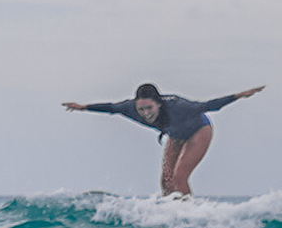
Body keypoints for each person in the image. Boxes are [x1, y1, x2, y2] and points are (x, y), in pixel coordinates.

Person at [62, 82, 265, 197]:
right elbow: (111, 108)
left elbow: (210, 105)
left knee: (178, 177)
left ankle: (188, 213)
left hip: (199, 131)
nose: (145, 113)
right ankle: (169, 212)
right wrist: (84, 107)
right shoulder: (130, 108)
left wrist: (239, 95)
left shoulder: (178, 106)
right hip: (174, 135)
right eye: (141, 109)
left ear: (159, 104)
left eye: (149, 108)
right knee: (165, 180)